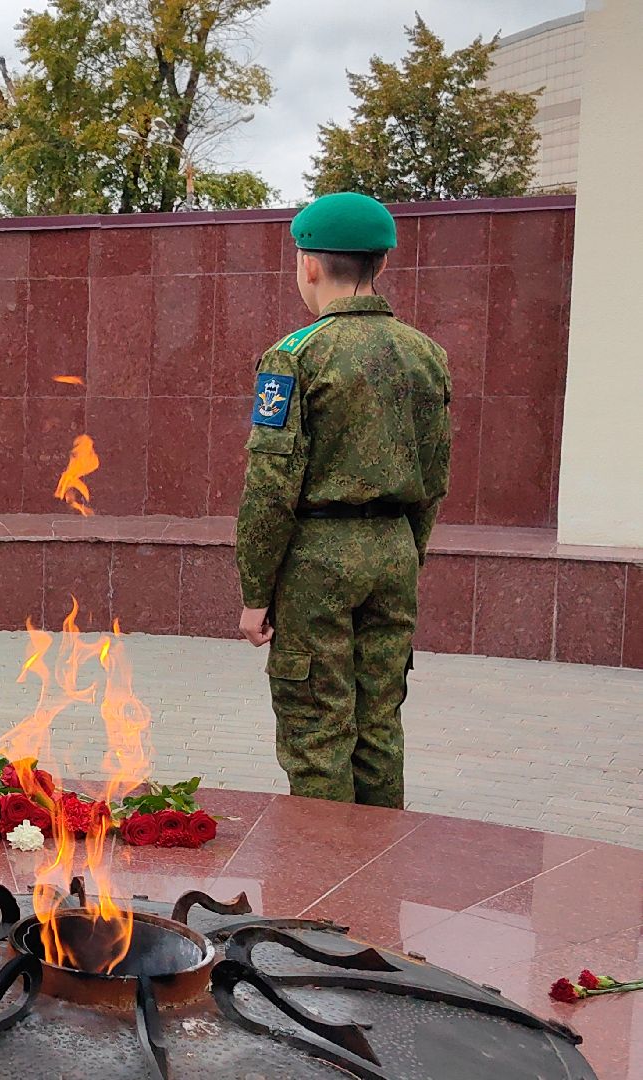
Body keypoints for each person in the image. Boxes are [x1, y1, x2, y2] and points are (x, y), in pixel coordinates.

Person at [235, 192, 452, 809]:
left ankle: (325, 864)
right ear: (381, 263)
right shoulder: (426, 355)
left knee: (317, 730)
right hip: (394, 550)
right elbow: (436, 472)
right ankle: (380, 864)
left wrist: (256, 593)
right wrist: (407, 552)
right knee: (379, 723)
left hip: (319, 561)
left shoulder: (295, 355)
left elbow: (270, 486)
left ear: (308, 265)